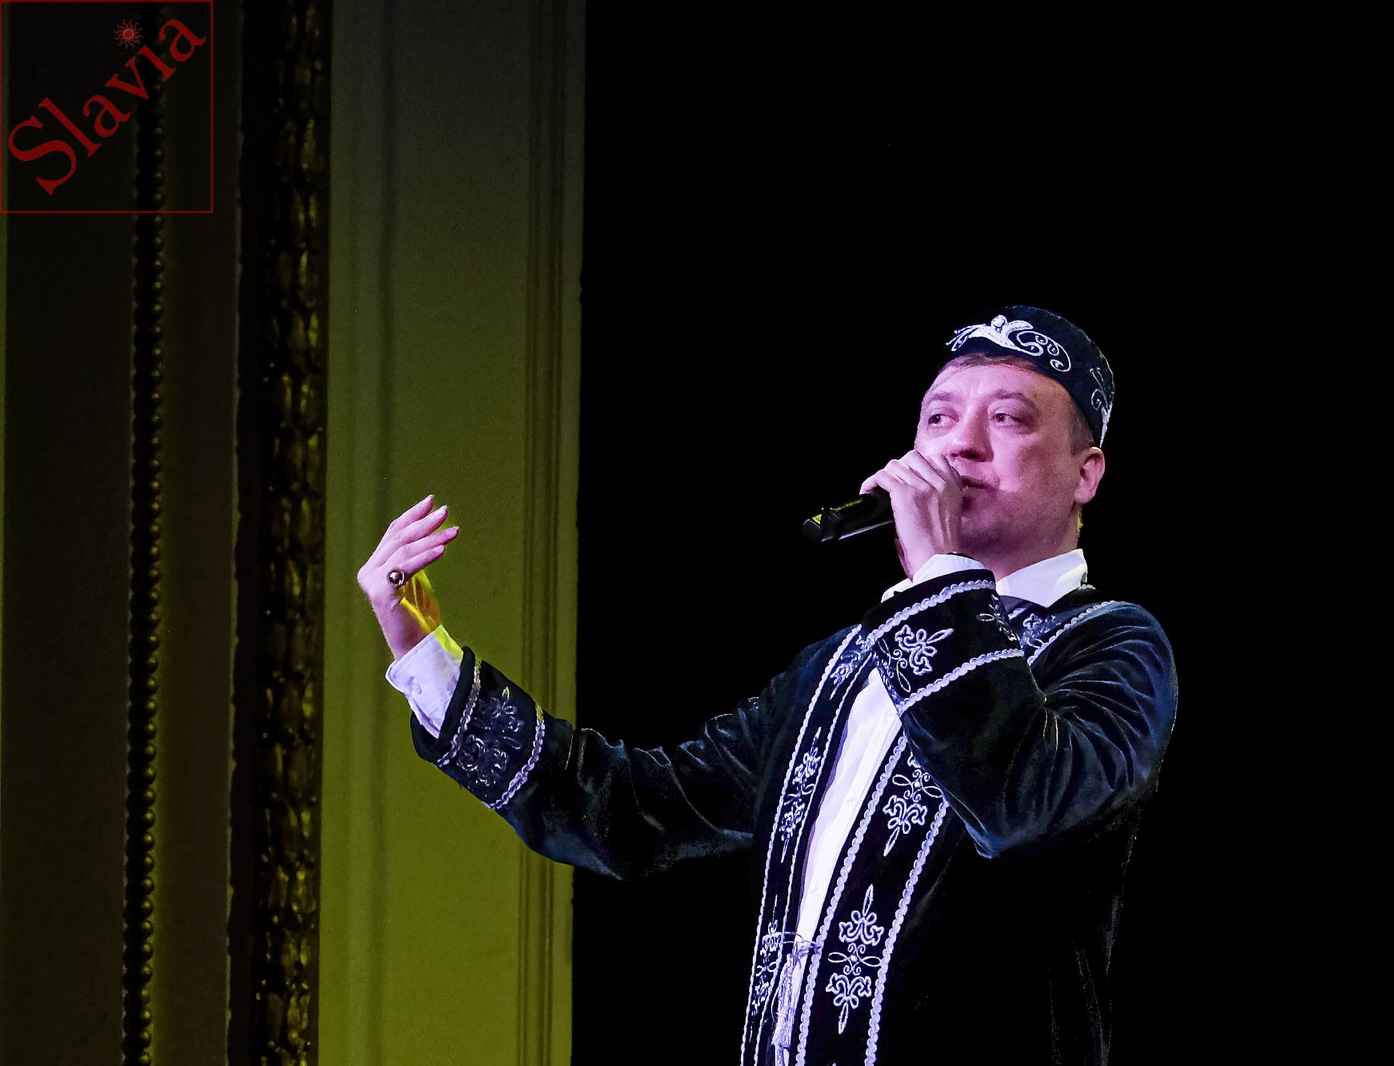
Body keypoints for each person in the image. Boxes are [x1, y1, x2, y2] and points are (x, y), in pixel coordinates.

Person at [358, 305, 1179, 1065]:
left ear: (1086, 474)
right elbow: (636, 811)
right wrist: (426, 654)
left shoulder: (1114, 646)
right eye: (937, 418)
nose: (958, 446)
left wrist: (937, 575)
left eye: (1007, 419)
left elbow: (1023, 807)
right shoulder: (838, 668)